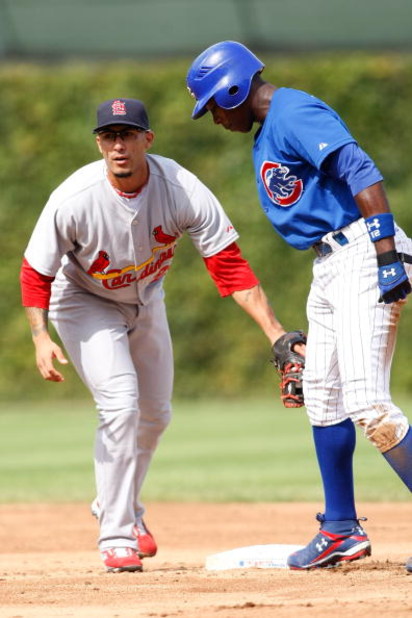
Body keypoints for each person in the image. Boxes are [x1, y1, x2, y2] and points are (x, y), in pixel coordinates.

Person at [20, 97, 294, 573]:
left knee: (155, 415)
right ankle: (117, 533)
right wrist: (41, 337)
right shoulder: (74, 197)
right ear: (99, 143)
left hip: (146, 299)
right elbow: (35, 272)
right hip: (84, 300)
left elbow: (228, 267)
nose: (119, 145)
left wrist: (274, 332)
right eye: (109, 136)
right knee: (121, 404)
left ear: (148, 139)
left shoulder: (181, 190)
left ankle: (117, 503)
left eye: (128, 134)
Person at [187, 42, 412, 570]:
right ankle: (340, 530)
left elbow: (361, 170)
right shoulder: (268, 129)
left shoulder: (293, 110)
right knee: (322, 395)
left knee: (367, 401)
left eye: (214, 105)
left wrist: (386, 254)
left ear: (234, 89)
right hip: (330, 262)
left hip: (361, 249)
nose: (214, 117)